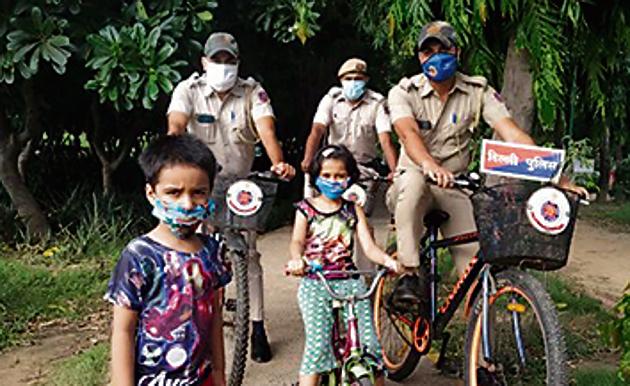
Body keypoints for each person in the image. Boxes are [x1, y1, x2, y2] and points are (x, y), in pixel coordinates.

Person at [386, 21, 588, 306]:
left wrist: (553, 175)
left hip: (454, 187)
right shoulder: (403, 91)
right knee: (414, 182)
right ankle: (408, 273)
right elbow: (407, 133)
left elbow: (511, 134)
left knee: (476, 272)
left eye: (442, 48)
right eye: (427, 51)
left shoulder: (477, 91)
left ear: (456, 51)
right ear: (420, 57)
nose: (434, 56)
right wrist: (429, 164)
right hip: (414, 178)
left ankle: (478, 338)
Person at [167, 32, 295, 362]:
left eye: (229, 61)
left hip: (241, 184)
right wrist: (172, 157)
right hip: (199, 185)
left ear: (237, 63)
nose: (223, 66)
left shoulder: (252, 92)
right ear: (204, 62)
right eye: (217, 60)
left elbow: (266, 130)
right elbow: (177, 125)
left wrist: (278, 161)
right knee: (187, 250)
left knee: (249, 255)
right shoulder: (189, 90)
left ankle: (257, 327)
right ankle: (186, 321)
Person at [105, 134, 231, 386]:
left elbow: (214, 316)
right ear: (151, 194)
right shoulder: (139, 256)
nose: (186, 204)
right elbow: (123, 330)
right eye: (173, 193)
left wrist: (219, 374)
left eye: (198, 192)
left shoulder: (213, 252)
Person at [286, 145, 402, 386]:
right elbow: (297, 241)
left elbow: (368, 247)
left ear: (350, 178)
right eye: (327, 175)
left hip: (350, 280)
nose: (333, 181)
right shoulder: (306, 209)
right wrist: (298, 260)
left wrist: (389, 261)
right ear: (317, 176)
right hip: (317, 283)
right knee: (317, 346)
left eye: (340, 176)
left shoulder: (352, 209)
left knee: (369, 344)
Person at [301, 58, 398, 216]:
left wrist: (395, 171)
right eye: (348, 79)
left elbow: (385, 140)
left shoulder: (377, 103)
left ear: (366, 80)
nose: (353, 82)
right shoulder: (331, 99)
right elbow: (317, 130)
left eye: (358, 79)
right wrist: (308, 158)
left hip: (364, 169)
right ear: (341, 80)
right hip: (334, 165)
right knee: (319, 213)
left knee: (362, 217)